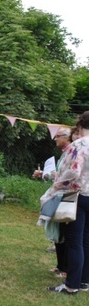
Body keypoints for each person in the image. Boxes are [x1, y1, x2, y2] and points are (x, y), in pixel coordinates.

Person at [42, 111, 89, 295]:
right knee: (86, 241)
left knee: (74, 242)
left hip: (78, 196)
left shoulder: (79, 145)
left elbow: (73, 172)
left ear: (80, 124)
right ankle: (84, 281)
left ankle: (71, 286)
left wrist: (55, 187)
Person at [34, 126, 72, 278]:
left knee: (66, 234)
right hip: (58, 196)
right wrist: (44, 174)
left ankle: (66, 269)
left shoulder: (72, 153)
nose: (55, 139)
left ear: (67, 137)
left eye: (58, 136)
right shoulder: (64, 154)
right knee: (59, 232)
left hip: (68, 198)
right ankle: (60, 266)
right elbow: (59, 174)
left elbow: (67, 176)